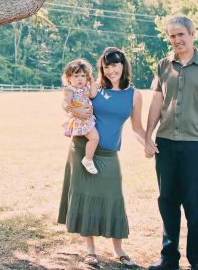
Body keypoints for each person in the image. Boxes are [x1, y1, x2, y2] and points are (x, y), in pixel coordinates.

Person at [144, 15, 198, 270]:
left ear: (193, 34)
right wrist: (148, 136)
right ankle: (169, 260)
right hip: (166, 144)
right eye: (172, 36)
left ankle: (197, 262)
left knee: (195, 207)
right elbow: (157, 102)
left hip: (197, 146)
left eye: (181, 34)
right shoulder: (163, 65)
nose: (177, 40)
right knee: (167, 203)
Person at [58, 47, 147, 267]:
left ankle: (119, 249)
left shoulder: (134, 94)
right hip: (82, 149)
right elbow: (70, 99)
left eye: (115, 65)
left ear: (123, 65)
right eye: (106, 66)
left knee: (113, 197)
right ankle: (90, 250)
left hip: (108, 154)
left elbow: (137, 127)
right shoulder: (94, 88)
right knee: (86, 197)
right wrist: (73, 111)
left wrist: (149, 142)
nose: (111, 70)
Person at [61, 58, 100, 174]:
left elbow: (93, 94)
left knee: (94, 138)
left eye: (83, 76)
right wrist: (69, 107)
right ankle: (88, 159)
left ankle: (88, 159)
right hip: (80, 120)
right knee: (95, 138)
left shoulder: (85, 89)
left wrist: (92, 82)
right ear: (69, 78)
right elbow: (65, 102)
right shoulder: (70, 89)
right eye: (76, 76)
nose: (80, 79)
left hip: (87, 119)